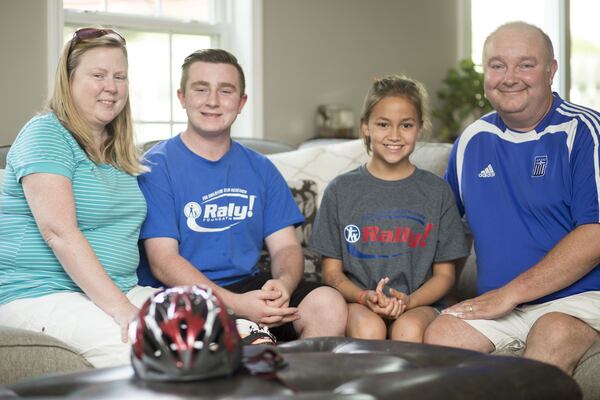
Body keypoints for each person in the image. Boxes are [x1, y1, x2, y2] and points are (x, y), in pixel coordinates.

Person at [424, 21, 600, 375]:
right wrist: (442, 296)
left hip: (580, 301)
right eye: (497, 65)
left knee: (553, 330)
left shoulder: (583, 131)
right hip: (503, 306)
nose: (510, 77)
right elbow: (452, 232)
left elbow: (595, 234)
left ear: (551, 71)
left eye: (526, 64)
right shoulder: (472, 140)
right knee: (443, 334)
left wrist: (510, 294)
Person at [136, 49, 347, 342]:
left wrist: (282, 286)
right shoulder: (157, 166)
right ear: (182, 97)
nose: (212, 101)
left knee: (329, 305)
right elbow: (163, 261)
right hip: (182, 295)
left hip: (248, 285)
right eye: (201, 89)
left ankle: (300, 383)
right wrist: (236, 305)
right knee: (253, 339)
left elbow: (286, 247)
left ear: (241, 102)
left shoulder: (260, 168)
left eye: (226, 90)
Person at [0, 27, 158, 367]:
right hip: (39, 294)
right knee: (141, 354)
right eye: (98, 75)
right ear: (68, 80)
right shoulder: (46, 133)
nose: (111, 87)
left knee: (210, 332)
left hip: (119, 290)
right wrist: (122, 310)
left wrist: (126, 302)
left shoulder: (119, 150)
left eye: (120, 76)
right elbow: (59, 233)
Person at [310, 75, 469, 342]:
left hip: (419, 304)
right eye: (383, 124)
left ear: (420, 128)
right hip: (359, 303)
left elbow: (445, 276)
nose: (394, 135)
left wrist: (410, 301)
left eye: (406, 125)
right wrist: (364, 296)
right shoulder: (340, 190)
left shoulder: (437, 192)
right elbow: (331, 273)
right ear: (366, 127)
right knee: (369, 330)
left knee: (408, 331)